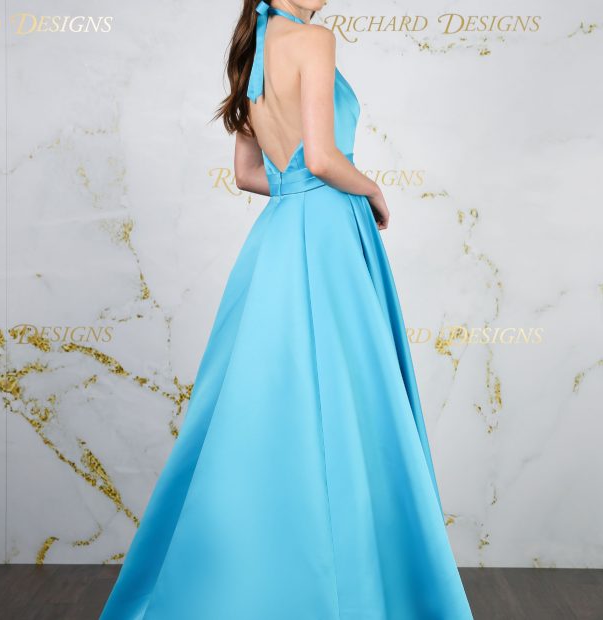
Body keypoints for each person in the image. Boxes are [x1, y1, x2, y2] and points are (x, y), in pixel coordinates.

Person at [100, 1, 474, 618]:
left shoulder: (252, 52)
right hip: (329, 233)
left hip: (278, 239)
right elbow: (323, 158)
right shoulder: (313, 39)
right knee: (354, 395)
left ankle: (246, 577)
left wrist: (296, 185)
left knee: (262, 399)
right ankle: (364, 582)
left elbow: (247, 174)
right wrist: (373, 190)